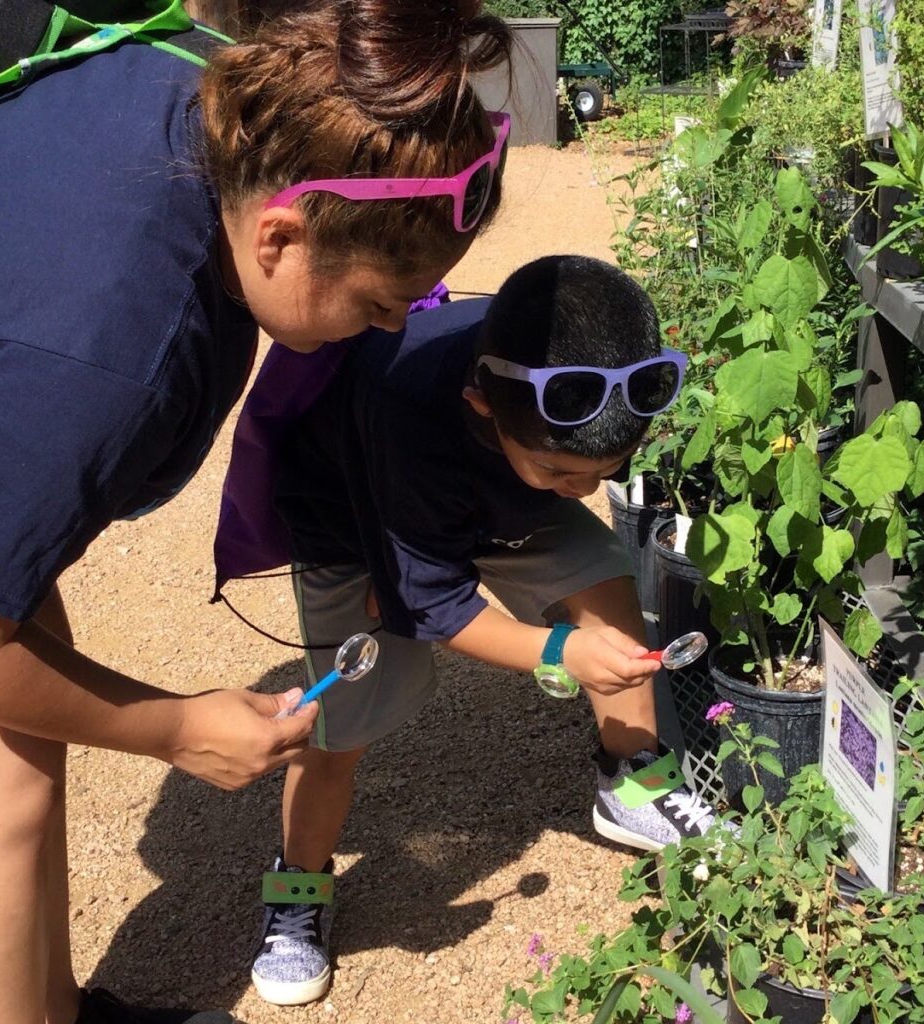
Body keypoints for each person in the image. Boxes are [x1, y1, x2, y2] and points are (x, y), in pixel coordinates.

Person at [0, 3, 512, 1023]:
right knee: (1, 781)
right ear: (281, 233)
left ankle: (53, 1003)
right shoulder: (110, 355)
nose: (395, 324)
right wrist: (174, 727)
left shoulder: (242, 100)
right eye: (375, 301)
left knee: (24, 710)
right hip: (43, 350)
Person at [247, 255, 720, 1006]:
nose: (586, 490)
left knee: (601, 569)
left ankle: (634, 779)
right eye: (565, 474)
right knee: (343, 719)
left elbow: (555, 477)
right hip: (349, 518)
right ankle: (297, 890)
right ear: (481, 406)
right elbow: (437, 608)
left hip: (491, 500)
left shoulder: (564, 371)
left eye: (606, 471)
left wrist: (550, 487)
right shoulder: (402, 396)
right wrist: (560, 650)